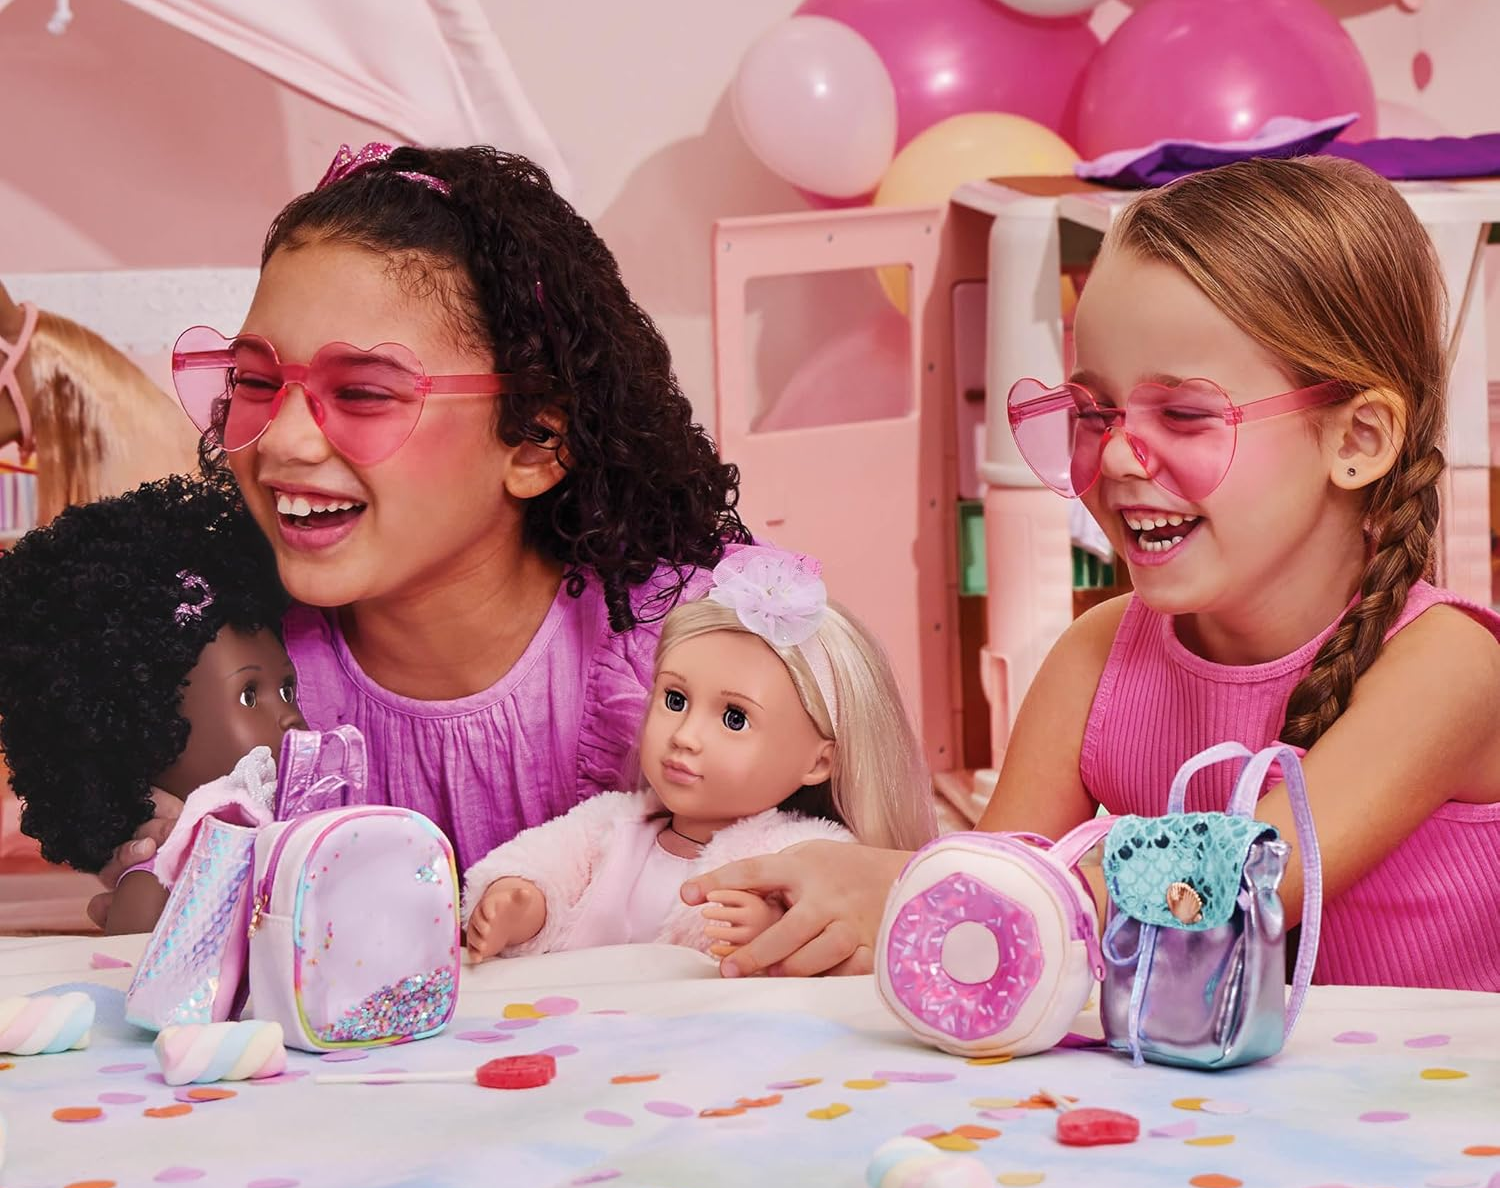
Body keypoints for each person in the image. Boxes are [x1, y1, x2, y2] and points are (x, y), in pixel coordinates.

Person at [688, 157, 1500, 989]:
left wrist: (905, 885)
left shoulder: (1450, 668)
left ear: (1358, 439)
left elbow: (1236, 879)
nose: (1113, 457)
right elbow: (999, 901)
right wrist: (865, 917)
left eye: (1183, 413)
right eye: (1096, 413)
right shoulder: (1097, 656)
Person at [88, 142, 750, 929]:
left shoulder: (695, 652)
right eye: (257, 382)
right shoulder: (223, 676)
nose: (282, 441)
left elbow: (831, 860)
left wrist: (858, 878)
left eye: (364, 394)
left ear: (536, 441)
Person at [462, 548, 934, 960]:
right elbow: (546, 864)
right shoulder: (611, 824)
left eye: (734, 719)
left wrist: (769, 928)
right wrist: (521, 899)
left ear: (819, 762)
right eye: (675, 700)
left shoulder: (799, 855)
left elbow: (828, 929)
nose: (685, 736)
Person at [0, 474, 304, 935]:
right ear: (147, 733)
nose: (289, 715)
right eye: (249, 695)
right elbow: (135, 963)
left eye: (288, 690)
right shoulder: (163, 875)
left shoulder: (306, 829)